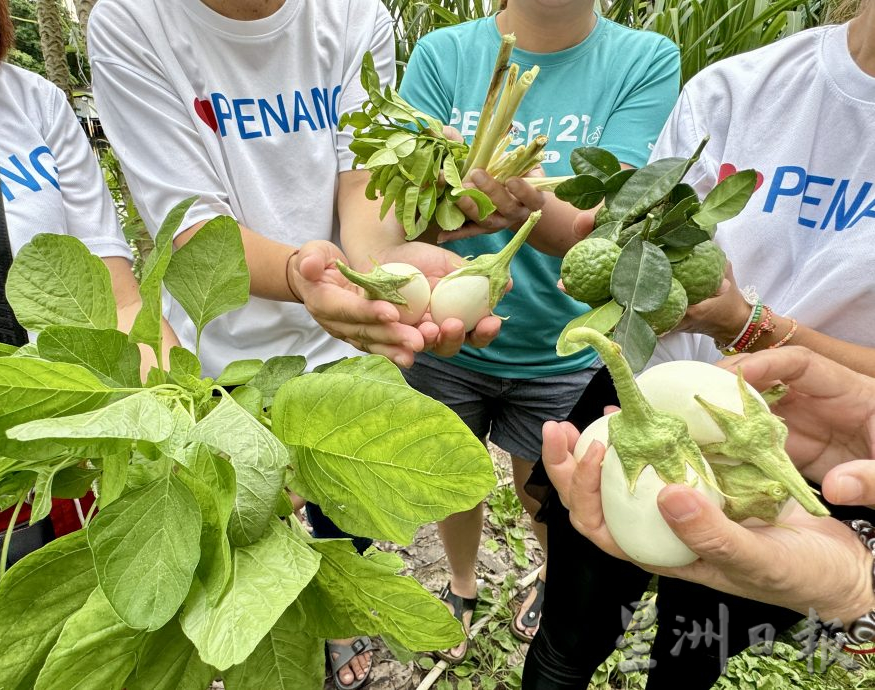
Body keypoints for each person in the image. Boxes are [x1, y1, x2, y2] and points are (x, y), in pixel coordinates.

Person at [85, 1, 502, 686]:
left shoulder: (355, 14)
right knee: (253, 524)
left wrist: (376, 279)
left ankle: (338, 621)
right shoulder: (133, 19)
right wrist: (305, 277)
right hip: (224, 347)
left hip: (344, 347)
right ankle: (308, 632)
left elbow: (362, 177)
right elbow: (193, 225)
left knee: (347, 512)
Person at [523, 0, 875, 686]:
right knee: (570, 634)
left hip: (800, 453)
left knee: (690, 656)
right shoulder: (740, 88)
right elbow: (632, 236)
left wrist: (749, 324)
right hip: (642, 412)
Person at [0, 0, 176, 686]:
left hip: (78, 517)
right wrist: (35, 444)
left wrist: (187, 413)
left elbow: (120, 307)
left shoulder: (27, 103)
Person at [378, 0, 680, 659]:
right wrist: (458, 204)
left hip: (562, 348)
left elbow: (605, 219)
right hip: (447, 334)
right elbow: (405, 214)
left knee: (542, 485)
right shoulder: (443, 56)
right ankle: (461, 582)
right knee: (451, 475)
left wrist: (513, 200)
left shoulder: (644, 60)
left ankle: (547, 570)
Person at [543, 345, 875, 647]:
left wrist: (858, 588)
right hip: (757, 416)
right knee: (579, 621)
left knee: (698, 645)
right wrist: (857, 587)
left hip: (768, 434)